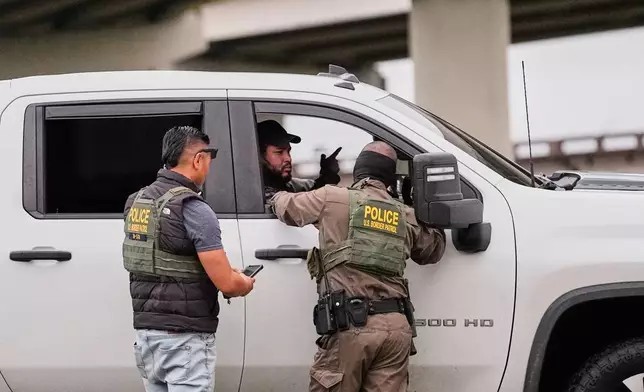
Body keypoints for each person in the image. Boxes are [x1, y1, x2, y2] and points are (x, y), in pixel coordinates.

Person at [268, 141, 447, 392]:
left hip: (351, 327)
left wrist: (273, 194)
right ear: (389, 177)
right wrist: (417, 203)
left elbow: (287, 207)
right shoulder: (405, 215)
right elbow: (433, 249)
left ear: (359, 170)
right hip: (397, 330)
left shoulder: (333, 198)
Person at [122, 125, 255, 392]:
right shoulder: (193, 208)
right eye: (209, 157)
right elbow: (227, 284)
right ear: (198, 159)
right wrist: (244, 282)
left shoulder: (137, 201)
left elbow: (163, 259)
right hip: (184, 340)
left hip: (147, 337)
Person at [257, 119, 342, 199]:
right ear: (259, 156)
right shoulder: (255, 192)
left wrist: (326, 176)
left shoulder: (288, 185)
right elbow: (302, 204)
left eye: (288, 151)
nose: (288, 158)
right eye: (279, 152)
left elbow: (309, 194)